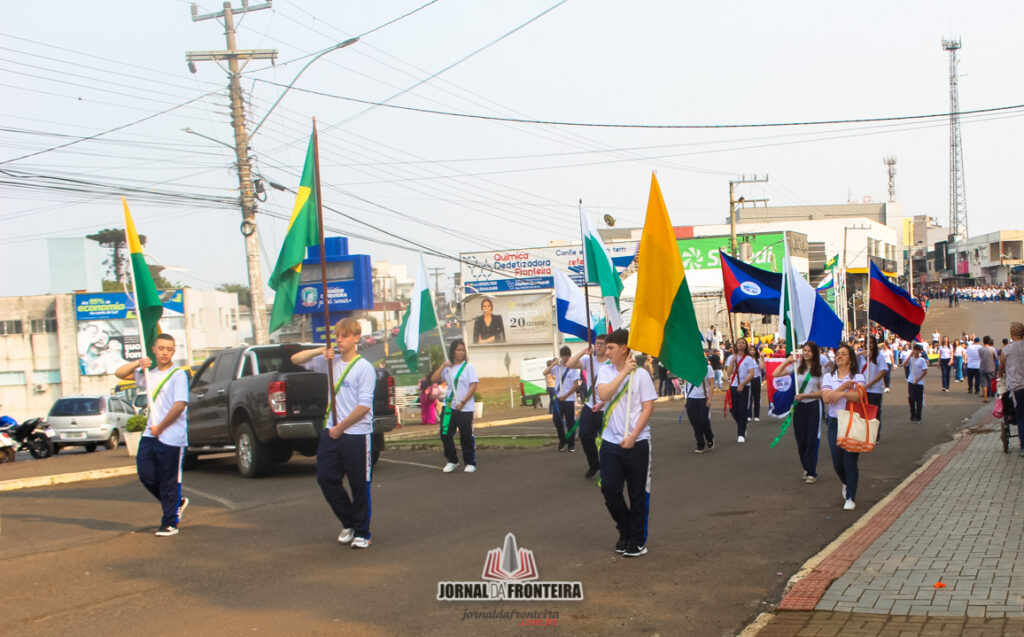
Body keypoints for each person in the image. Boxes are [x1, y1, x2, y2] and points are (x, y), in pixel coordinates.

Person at [291, 319, 377, 549]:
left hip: (356, 433)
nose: (339, 340)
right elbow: (296, 360)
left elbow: (364, 406)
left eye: (345, 336)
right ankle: (349, 522)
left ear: (356, 338)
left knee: (359, 484)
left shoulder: (364, 368)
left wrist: (342, 427)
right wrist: (321, 350)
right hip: (332, 431)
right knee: (326, 478)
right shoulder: (330, 362)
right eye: (337, 336)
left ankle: (362, 532)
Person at [115, 334, 189, 537]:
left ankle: (170, 522)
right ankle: (177, 503)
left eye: (169, 349)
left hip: (172, 435)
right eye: (161, 348)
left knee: (169, 479)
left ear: (173, 351)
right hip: (150, 434)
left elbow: (179, 405)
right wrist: (138, 363)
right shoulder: (148, 375)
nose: (165, 352)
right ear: (154, 350)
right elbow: (119, 374)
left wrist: (162, 427)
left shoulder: (178, 375)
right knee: (146, 474)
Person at [595, 329, 657, 558]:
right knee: (610, 489)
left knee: (637, 493)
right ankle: (625, 529)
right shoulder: (605, 371)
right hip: (611, 442)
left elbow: (648, 407)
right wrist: (622, 374)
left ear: (624, 348)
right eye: (605, 347)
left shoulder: (641, 375)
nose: (605, 351)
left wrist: (633, 436)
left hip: (637, 442)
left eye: (610, 348)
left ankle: (638, 540)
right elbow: (603, 394)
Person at [821, 343, 866, 511]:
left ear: (850, 358)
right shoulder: (828, 377)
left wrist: (842, 394)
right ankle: (848, 483)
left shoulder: (858, 377)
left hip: (852, 421)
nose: (839, 356)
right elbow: (826, 398)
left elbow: (858, 395)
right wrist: (842, 388)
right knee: (837, 462)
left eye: (843, 354)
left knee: (850, 460)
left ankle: (851, 497)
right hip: (835, 422)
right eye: (838, 354)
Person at [774, 341, 823, 484]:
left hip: (813, 406)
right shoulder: (797, 368)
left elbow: (822, 392)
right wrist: (788, 360)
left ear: (814, 353)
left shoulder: (820, 370)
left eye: (809, 351)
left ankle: (812, 471)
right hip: (799, 407)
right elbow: (775, 374)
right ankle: (806, 467)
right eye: (804, 350)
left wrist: (806, 396)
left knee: (812, 439)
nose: (806, 353)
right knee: (801, 440)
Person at [566, 335, 612, 478]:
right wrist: (583, 352)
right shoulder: (589, 360)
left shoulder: (611, 364)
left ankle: (609, 468)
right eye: (597, 344)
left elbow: (615, 388)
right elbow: (569, 364)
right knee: (585, 435)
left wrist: (603, 402)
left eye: (602, 344)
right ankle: (594, 464)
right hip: (590, 404)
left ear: (607, 346)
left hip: (606, 406)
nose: (598, 346)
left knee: (607, 440)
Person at [431, 339, 479, 473]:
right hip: (448, 407)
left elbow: (473, 385)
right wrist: (443, 366)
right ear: (453, 351)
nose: (461, 352)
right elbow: (434, 379)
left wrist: (463, 401)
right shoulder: (448, 368)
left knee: (466, 435)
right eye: (458, 350)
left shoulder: (468, 367)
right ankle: (452, 460)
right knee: (445, 433)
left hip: (465, 407)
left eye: (463, 350)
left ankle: (470, 462)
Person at [544, 346, 581, 452]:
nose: (565, 358)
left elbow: (576, 385)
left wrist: (566, 395)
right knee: (556, 420)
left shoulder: (573, 368)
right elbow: (545, 372)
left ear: (569, 356)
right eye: (563, 356)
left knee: (570, 423)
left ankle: (571, 444)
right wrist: (554, 364)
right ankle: (562, 439)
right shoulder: (557, 368)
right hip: (558, 400)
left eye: (567, 356)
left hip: (569, 400)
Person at [997, 322, 1024, 457]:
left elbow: (1001, 368)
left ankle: (1023, 447)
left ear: (1011, 334)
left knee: (1021, 417)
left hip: (1016, 387)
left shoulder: (1006, 350)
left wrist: (1000, 373)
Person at [726, 337, 758, 443]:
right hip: (733, 386)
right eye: (739, 343)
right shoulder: (731, 357)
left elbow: (751, 374)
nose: (740, 344)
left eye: (743, 343)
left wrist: (743, 384)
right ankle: (742, 425)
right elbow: (729, 373)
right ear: (736, 345)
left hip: (745, 386)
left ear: (746, 345)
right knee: (733, 410)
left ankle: (741, 433)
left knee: (743, 409)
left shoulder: (748, 359)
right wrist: (732, 362)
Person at [682, 356, 715, 453]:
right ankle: (700, 443)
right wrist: (685, 399)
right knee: (694, 422)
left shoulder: (707, 367)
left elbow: (711, 384)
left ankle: (709, 437)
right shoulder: (687, 367)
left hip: (703, 398)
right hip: (691, 398)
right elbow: (685, 384)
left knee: (704, 420)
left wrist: (709, 399)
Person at [863, 336, 889, 438]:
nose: (869, 344)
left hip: (875, 390)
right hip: (863, 389)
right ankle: (866, 434)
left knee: (875, 414)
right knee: (864, 413)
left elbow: (883, 371)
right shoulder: (862, 356)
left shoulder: (879, 356)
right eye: (867, 342)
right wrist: (862, 353)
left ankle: (875, 435)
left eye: (872, 342)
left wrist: (871, 382)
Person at [906, 343, 928, 422]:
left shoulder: (922, 360)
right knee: (911, 398)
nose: (916, 351)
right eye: (915, 350)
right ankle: (913, 413)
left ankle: (919, 416)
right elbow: (904, 364)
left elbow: (925, 371)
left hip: (919, 383)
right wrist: (909, 356)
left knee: (919, 400)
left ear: (920, 351)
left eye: (918, 350)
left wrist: (918, 379)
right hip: (911, 381)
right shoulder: (911, 359)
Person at [979, 336, 998, 403]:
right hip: (991, 367)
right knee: (992, 382)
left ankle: (985, 398)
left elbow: (980, 356)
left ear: (983, 341)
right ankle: (993, 395)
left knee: (984, 383)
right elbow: (996, 357)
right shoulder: (992, 349)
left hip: (983, 367)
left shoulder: (980, 349)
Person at [749, 346, 762, 422]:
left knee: (757, 398)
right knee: (749, 398)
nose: (752, 351)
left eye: (753, 350)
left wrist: (761, 357)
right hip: (749, 379)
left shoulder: (758, 359)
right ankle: (749, 415)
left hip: (757, 379)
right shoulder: (747, 359)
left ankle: (756, 415)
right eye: (750, 350)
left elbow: (762, 367)